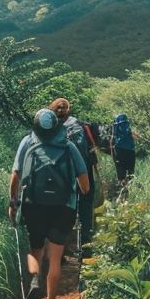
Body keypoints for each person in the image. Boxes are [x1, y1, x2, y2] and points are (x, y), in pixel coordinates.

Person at [9, 108, 90, 299]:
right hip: (63, 208)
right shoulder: (69, 145)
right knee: (55, 258)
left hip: (33, 206)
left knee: (36, 250)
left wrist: (13, 203)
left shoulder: (27, 142)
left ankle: (35, 282)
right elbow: (85, 185)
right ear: (57, 126)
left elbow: (16, 175)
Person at [49, 97, 100, 256]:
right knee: (85, 209)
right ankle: (86, 248)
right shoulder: (80, 124)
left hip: (63, 176)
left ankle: (63, 250)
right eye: (61, 108)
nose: (61, 110)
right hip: (84, 171)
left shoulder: (49, 128)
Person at [109, 112, 137, 197]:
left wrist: (112, 153)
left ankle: (122, 192)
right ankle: (130, 191)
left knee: (121, 172)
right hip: (130, 151)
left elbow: (112, 140)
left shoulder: (115, 126)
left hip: (119, 150)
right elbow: (135, 137)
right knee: (130, 172)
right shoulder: (128, 125)